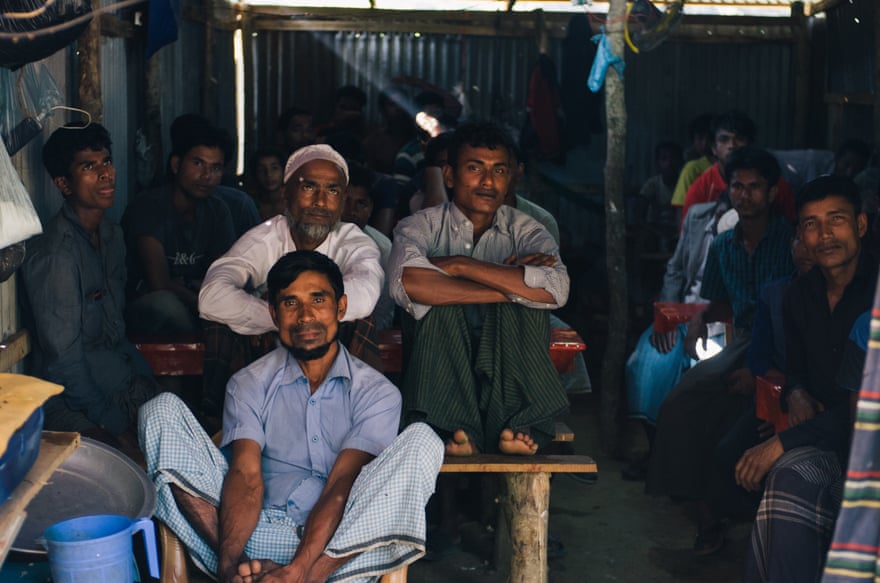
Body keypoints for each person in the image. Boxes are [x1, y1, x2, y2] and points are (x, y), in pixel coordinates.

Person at [139, 250, 444, 583]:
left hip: (337, 549)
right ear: (273, 313)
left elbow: (342, 485)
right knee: (160, 409)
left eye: (318, 300)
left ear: (340, 308)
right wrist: (230, 563)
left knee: (423, 440)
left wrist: (299, 570)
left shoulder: (377, 393)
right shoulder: (249, 383)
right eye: (289, 303)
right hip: (254, 537)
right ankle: (238, 574)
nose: (305, 316)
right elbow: (245, 476)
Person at [388, 121, 570, 456]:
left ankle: (517, 424)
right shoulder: (418, 227)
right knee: (441, 303)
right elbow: (407, 284)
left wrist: (459, 266)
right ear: (450, 176)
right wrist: (509, 281)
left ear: (511, 177)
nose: (488, 182)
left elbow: (557, 289)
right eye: (475, 169)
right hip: (441, 354)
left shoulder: (529, 230)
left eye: (499, 170)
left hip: (507, 354)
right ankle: (450, 426)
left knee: (522, 305)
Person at [645, 146, 796, 551]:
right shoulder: (725, 245)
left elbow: (797, 317)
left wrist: (760, 372)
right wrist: (697, 321)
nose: (745, 196)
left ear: (772, 191)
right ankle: (705, 515)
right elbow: (718, 302)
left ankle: (733, 512)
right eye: (737, 187)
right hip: (745, 338)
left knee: (740, 416)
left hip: (787, 346)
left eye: (754, 188)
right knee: (681, 402)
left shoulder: (791, 243)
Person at [741, 175, 876, 583]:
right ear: (800, 234)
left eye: (836, 219)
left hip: (864, 448)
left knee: (782, 470)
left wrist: (783, 441)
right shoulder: (798, 295)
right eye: (811, 224)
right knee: (784, 482)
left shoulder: (876, 296)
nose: (824, 235)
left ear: (861, 225)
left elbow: (864, 412)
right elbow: (795, 367)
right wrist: (795, 391)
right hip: (824, 440)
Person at [199, 144, 384, 419]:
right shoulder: (266, 236)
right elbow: (211, 296)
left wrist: (298, 313)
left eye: (332, 191)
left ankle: (355, 417)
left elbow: (366, 294)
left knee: (358, 317)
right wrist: (278, 314)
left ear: (342, 201)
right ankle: (223, 421)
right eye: (309, 187)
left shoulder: (355, 242)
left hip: (327, 353)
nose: (320, 201)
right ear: (286, 194)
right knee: (220, 320)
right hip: (269, 354)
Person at [19, 122, 159, 455]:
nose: (105, 173)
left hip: (122, 385)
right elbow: (63, 362)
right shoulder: (55, 255)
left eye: (106, 162)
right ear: (63, 184)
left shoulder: (112, 236)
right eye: (89, 166)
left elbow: (118, 334)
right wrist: (114, 426)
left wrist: (152, 389)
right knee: (127, 467)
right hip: (72, 404)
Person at [622, 198, 733, 480]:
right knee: (643, 363)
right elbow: (675, 270)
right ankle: (658, 451)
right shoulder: (698, 217)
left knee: (701, 377)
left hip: (721, 322)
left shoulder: (753, 232)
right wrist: (667, 315)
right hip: (681, 315)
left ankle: (685, 463)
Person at [122, 118, 237, 336]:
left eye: (216, 167)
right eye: (197, 163)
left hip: (196, 299)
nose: (206, 175)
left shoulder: (218, 210)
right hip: (147, 307)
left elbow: (223, 276)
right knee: (166, 304)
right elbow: (160, 283)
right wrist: (201, 299)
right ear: (176, 165)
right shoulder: (148, 206)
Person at [680, 111, 796, 225]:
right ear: (713, 148)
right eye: (724, 140)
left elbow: (793, 231)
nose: (732, 145)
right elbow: (690, 238)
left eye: (739, 139)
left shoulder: (775, 186)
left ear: (750, 144)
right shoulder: (700, 189)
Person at [341, 162, 395, 330]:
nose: (352, 211)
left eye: (361, 203)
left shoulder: (383, 248)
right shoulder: (315, 238)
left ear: (371, 208)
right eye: (345, 201)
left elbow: (384, 311)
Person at [246, 147, 287, 220]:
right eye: (261, 170)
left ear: (284, 170)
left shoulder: (294, 202)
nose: (269, 174)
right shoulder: (250, 204)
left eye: (274, 168)